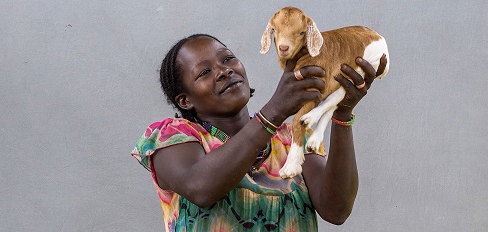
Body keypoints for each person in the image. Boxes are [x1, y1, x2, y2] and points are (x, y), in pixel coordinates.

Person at [131, 33, 386, 231]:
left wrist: (340, 113)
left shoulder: (293, 139)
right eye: (205, 72)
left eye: (228, 58)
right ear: (185, 101)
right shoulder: (172, 137)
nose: (224, 71)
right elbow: (201, 188)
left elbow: (336, 210)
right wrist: (274, 111)